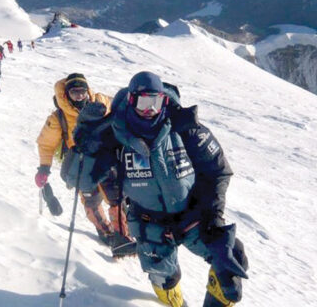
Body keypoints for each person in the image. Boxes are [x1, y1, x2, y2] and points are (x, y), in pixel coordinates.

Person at [71, 71, 249, 306]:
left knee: (230, 260)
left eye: (156, 102)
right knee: (164, 276)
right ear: (132, 100)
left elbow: (217, 170)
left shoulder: (185, 127)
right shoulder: (116, 135)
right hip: (149, 222)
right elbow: (79, 180)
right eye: (144, 103)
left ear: (165, 100)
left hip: (192, 215)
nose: (150, 111)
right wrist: (85, 142)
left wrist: (213, 216)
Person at [35, 73, 136, 257]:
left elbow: (120, 109)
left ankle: (122, 236)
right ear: (67, 95)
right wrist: (44, 167)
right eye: (75, 93)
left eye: (82, 92)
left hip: (106, 159)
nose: (80, 97)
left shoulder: (100, 101)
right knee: (91, 200)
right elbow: (46, 144)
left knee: (116, 197)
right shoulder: (59, 117)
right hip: (80, 164)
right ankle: (106, 233)